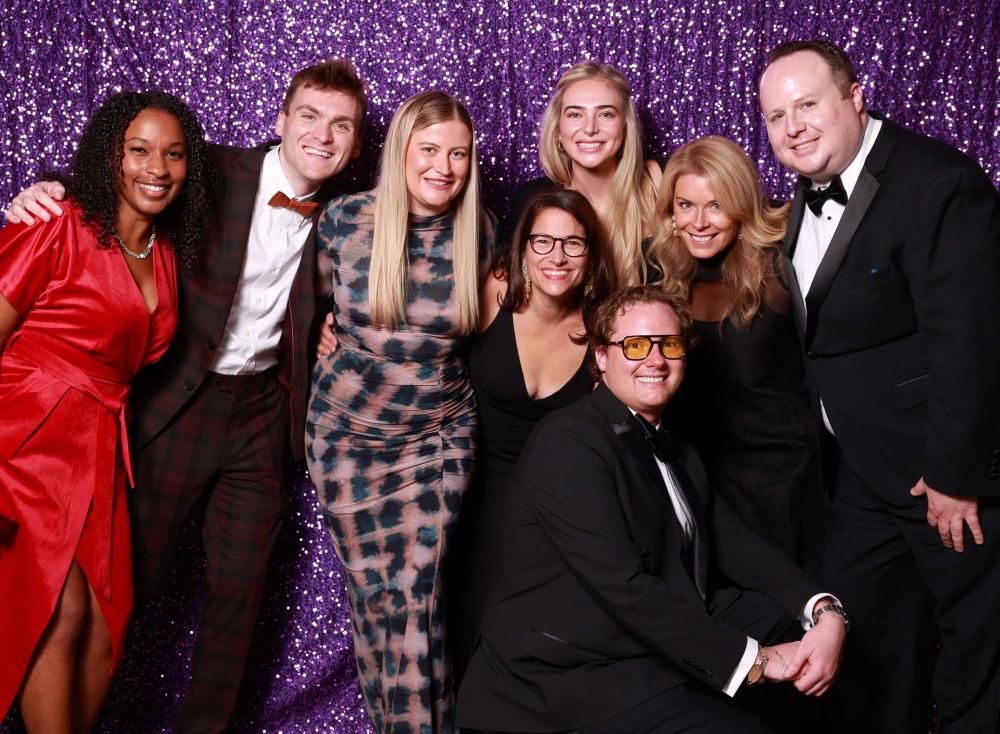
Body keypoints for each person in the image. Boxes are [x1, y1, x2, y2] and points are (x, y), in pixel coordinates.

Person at [4, 58, 368, 732]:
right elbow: (123, 165)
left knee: (242, 591)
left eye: (342, 125)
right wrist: (42, 188)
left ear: (355, 142)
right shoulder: (208, 171)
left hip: (262, 411)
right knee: (115, 589)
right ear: (280, 121)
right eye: (310, 116)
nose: (323, 135)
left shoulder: (353, 221)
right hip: (172, 405)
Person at [456, 285, 847, 734]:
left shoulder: (677, 448)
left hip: (641, 636)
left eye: (670, 345)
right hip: (567, 673)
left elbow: (737, 545)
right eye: (636, 346)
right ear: (601, 357)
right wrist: (756, 661)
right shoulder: (568, 443)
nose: (655, 361)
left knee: (791, 633)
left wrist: (824, 611)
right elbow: (626, 589)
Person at [758, 39, 1000, 732]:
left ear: (855, 97)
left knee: (974, 659)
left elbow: (972, 340)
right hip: (862, 476)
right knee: (868, 649)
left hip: (941, 480)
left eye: (808, 105)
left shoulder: (937, 183)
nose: (794, 125)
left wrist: (956, 475)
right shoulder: (801, 199)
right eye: (777, 115)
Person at [0, 90, 212, 733]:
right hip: (25, 436)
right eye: (139, 150)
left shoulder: (168, 260)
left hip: (97, 447)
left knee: (102, 627)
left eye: (173, 154)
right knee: (55, 610)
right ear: (110, 158)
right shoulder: (56, 223)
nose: (157, 167)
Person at [306, 90, 496, 734]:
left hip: (436, 441)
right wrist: (317, 336)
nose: (445, 166)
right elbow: (298, 305)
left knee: (417, 603)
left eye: (459, 154)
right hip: (345, 439)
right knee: (374, 603)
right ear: (401, 152)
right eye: (430, 150)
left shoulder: (484, 230)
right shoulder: (343, 220)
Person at [450, 189, 617, 680]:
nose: (557, 257)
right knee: (467, 629)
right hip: (474, 494)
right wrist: (328, 327)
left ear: (591, 255)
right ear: (521, 248)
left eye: (573, 244)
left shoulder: (604, 324)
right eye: (542, 241)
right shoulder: (491, 293)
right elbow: (412, 338)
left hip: (557, 507)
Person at [646, 136, 820, 565]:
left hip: (778, 482)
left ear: (741, 205)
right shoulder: (661, 269)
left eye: (716, 205)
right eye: (686, 205)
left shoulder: (783, 266)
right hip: (696, 477)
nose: (699, 222)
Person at [507, 61, 661, 284]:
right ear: (558, 131)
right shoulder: (532, 201)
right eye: (575, 115)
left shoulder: (663, 181)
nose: (590, 128)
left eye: (606, 114)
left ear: (625, 127)